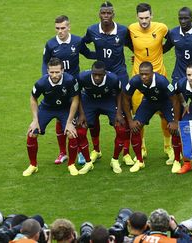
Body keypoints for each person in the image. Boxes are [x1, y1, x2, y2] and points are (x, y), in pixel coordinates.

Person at [82, 2, 135, 166]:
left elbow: (133, 46)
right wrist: (93, 55)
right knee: (94, 111)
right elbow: (81, 44)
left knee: (125, 112)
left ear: (113, 14)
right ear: (99, 14)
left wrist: (136, 57)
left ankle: (126, 152)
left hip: (119, 74)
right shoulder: (92, 30)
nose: (106, 16)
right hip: (100, 75)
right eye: (103, 13)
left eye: (109, 13)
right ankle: (96, 150)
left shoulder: (123, 30)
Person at [42, 15, 94, 166]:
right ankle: (62, 153)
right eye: (57, 28)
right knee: (60, 117)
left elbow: (88, 53)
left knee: (77, 118)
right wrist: (47, 79)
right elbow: (45, 63)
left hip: (75, 86)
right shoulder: (51, 44)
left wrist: (105, 54)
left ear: (69, 27)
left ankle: (79, 152)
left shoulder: (77, 41)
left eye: (63, 28)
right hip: (58, 86)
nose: (60, 31)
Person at [128, 3, 174, 164]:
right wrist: (137, 55)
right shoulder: (132, 29)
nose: (144, 21)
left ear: (151, 16)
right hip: (139, 80)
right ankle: (141, 148)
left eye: (147, 17)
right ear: (137, 17)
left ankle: (168, 146)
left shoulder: (161, 28)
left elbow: (172, 40)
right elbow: (129, 43)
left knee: (164, 114)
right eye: (141, 18)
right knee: (139, 116)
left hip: (159, 77)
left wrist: (161, 50)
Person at [23, 57, 80, 176]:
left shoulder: (70, 80)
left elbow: (75, 99)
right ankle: (33, 165)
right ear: (48, 71)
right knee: (32, 133)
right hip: (47, 108)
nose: (54, 75)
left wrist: (70, 121)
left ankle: (71, 164)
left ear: (62, 71)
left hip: (65, 109)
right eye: (52, 72)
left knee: (71, 133)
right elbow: (33, 98)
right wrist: (35, 120)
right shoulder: (41, 83)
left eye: (57, 72)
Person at [122, 62, 181, 173]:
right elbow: (125, 97)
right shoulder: (135, 80)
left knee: (175, 130)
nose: (144, 76)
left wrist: (176, 121)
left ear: (152, 73)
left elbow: (175, 100)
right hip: (149, 102)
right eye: (142, 74)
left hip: (165, 102)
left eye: (147, 74)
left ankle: (177, 160)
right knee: (135, 127)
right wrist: (130, 120)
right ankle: (140, 161)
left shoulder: (162, 81)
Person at [75, 61, 130, 175]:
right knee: (80, 130)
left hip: (108, 100)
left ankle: (114, 160)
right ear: (91, 72)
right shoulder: (82, 77)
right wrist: (81, 113)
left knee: (121, 128)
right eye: (95, 74)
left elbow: (120, 93)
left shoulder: (113, 78)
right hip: (89, 100)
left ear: (105, 74)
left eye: (100, 75)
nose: (97, 77)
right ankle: (88, 162)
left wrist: (119, 112)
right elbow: (77, 93)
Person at [164, 7, 192, 84]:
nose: (183, 21)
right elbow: (164, 49)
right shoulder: (174, 33)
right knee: (175, 95)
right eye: (180, 19)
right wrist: (141, 55)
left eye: (186, 18)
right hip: (179, 74)